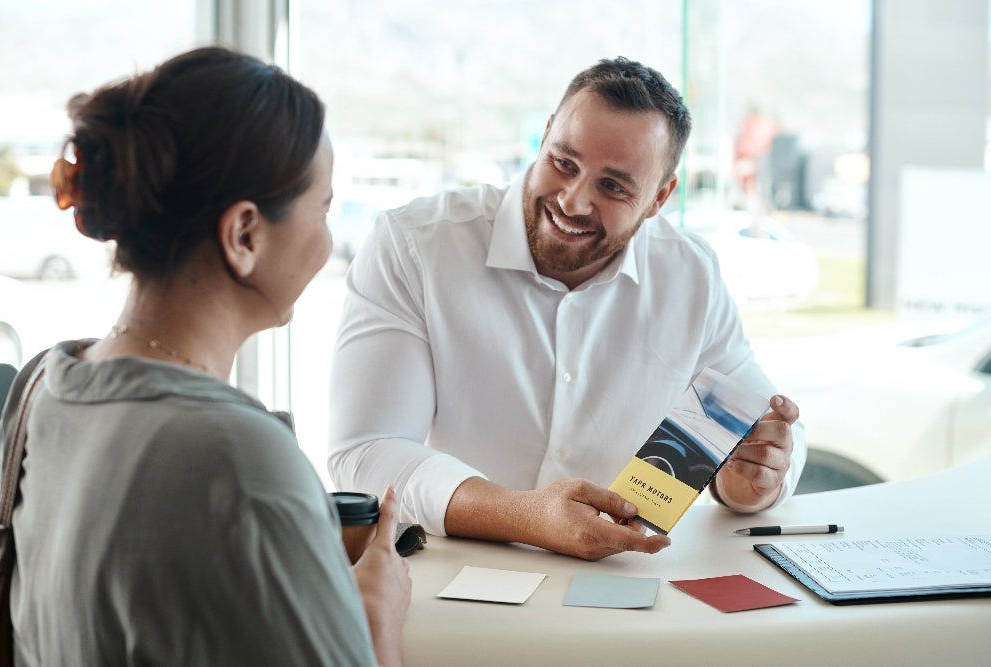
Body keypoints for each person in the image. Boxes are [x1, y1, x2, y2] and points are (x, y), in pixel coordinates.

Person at [0, 47, 410, 666]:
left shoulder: (42, 385)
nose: (328, 238)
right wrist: (376, 621)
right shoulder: (240, 460)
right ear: (244, 235)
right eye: (322, 207)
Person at [328, 56, 806, 561]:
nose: (574, 201)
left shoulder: (690, 275)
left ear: (659, 197)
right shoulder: (416, 246)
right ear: (546, 135)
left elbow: (760, 415)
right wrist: (523, 515)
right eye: (564, 163)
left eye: (613, 186)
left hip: (623, 590)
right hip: (450, 587)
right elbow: (365, 451)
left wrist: (749, 480)